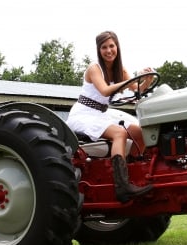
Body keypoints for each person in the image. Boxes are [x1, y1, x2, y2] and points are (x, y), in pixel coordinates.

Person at [66, 31, 153, 203]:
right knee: (119, 133)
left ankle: (135, 176)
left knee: (140, 133)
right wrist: (133, 80)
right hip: (84, 113)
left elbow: (137, 90)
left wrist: (147, 79)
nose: (108, 50)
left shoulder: (120, 69)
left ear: (117, 47)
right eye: (104, 47)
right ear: (99, 50)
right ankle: (122, 186)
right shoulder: (94, 69)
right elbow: (105, 90)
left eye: (111, 46)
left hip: (102, 112)